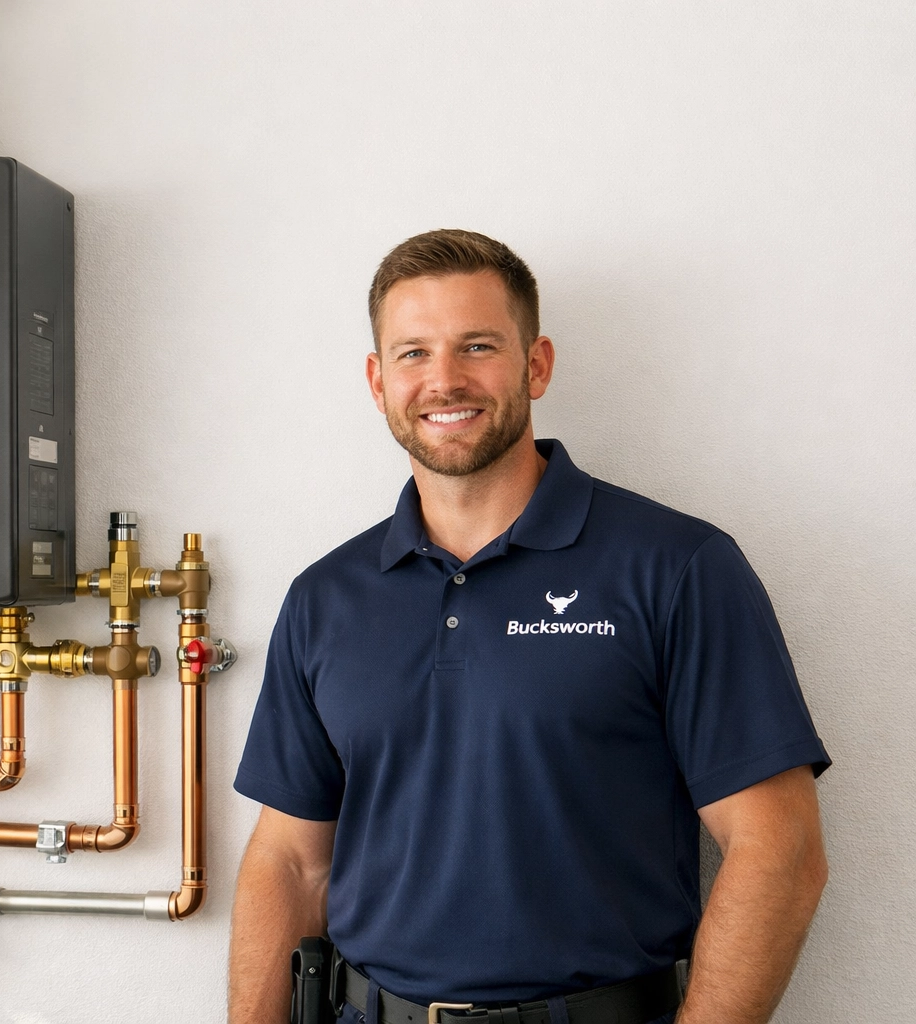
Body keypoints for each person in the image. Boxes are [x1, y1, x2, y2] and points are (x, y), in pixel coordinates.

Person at [227, 230, 830, 1024]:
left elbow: (778, 851)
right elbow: (291, 863)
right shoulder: (325, 598)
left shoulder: (677, 568)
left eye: (477, 346)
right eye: (412, 354)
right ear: (377, 382)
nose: (443, 380)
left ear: (535, 364)